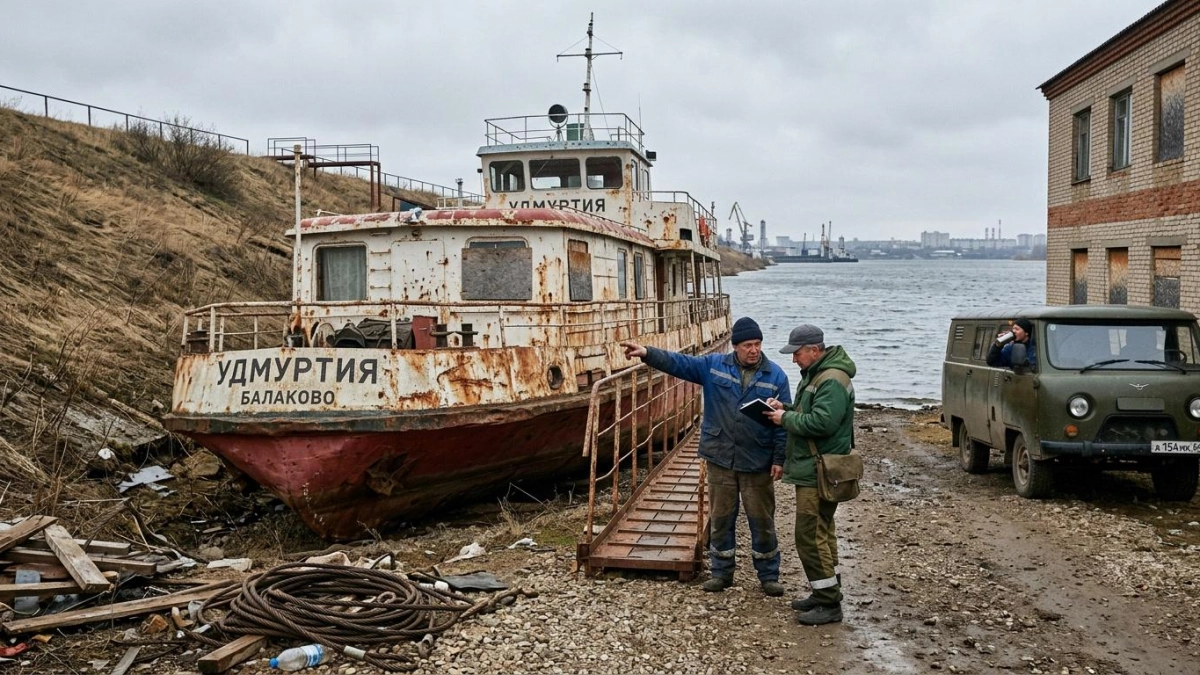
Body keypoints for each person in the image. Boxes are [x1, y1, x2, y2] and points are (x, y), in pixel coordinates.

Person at [620, 317, 790, 596]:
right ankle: (721, 573)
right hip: (720, 457)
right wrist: (648, 353)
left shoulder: (776, 376)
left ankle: (769, 576)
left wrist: (779, 460)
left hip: (756, 460)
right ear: (735, 346)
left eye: (758, 344)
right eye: (748, 345)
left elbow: (783, 424)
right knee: (721, 518)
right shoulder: (713, 366)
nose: (754, 350)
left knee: (762, 521)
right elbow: (679, 363)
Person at [763, 324, 855, 626]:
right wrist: (786, 408)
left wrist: (785, 418)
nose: (794, 359)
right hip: (818, 467)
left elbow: (822, 423)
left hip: (818, 470)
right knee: (822, 531)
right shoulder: (818, 375)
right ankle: (826, 590)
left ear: (815, 350)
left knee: (809, 535)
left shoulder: (830, 379)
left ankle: (828, 602)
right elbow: (813, 412)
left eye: (797, 353)